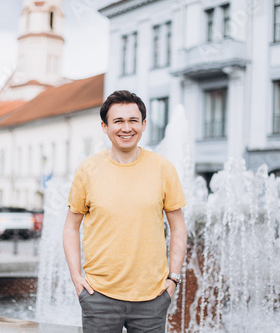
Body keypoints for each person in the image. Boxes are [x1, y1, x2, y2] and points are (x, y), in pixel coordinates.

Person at [63, 90, 187, 332]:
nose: (126, 128)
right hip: (99, 297)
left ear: (144, 124)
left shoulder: (163, 168)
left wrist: (173, 279)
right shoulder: (87, 170)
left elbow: (178, 226)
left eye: (133, 121)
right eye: (118, 121)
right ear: (104, 126)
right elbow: (70, 226)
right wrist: (76, 278)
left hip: (153, 298)